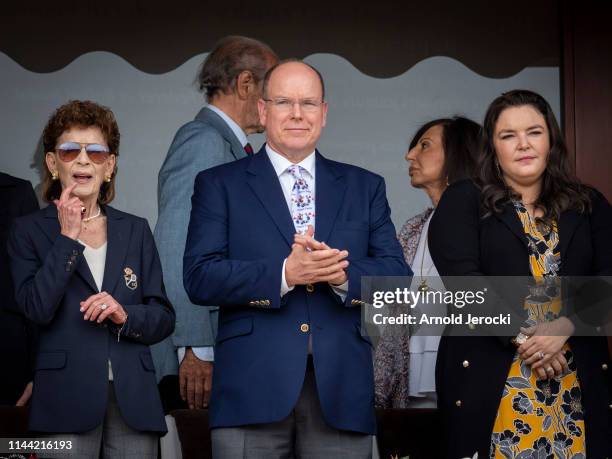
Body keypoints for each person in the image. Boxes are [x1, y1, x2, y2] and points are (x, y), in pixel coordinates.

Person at [183, 60, 411, 458]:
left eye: (308, 103)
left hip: (340, 390)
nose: (297, 113)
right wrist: (285, 273)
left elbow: (397, 278)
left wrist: (340, 276)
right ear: (262, 110)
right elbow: (200, 276)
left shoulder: (364, 186)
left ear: (323, 113)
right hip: (250, 388)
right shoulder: (219, 184)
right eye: (284, 102)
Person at [429, 90, 612, 458]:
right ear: (492, 147)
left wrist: (565, 326)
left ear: (551, 140)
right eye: (508, 135)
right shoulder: (464, 199)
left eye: (534, 132)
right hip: (492, 377)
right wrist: (529, 337)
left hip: (573, 378)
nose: (523, 144)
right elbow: (465, 280)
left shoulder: (587, 203)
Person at [8, 100, 175, 458]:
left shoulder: (136, 230)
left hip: (134, 400)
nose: (84, 160)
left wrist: (125, 315)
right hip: (63, 399)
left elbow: (162, 316)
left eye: (96, 152)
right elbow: (36, 308)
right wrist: (68, 238)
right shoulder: (28, 231)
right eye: (70, 150)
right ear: (53, 163)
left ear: (110, 165)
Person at [151, 36, 278, 418]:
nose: (278, 104)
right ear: (245, 85)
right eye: (271, 91)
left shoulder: (229, 147)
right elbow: (176, 246)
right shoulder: (204, 141)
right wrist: (194, 346)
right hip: (200, 358)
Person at [374, 116, 481, 409]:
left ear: (458, 153)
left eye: (425, 145)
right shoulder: (413, 229)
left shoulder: (489, 223)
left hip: (473, 378)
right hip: (414, 385)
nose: (410, 155)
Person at [0, 172, 39, 406]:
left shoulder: (16, 193)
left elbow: (36, 285)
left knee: (10, 444)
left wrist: (39, 371)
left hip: (9, 358)